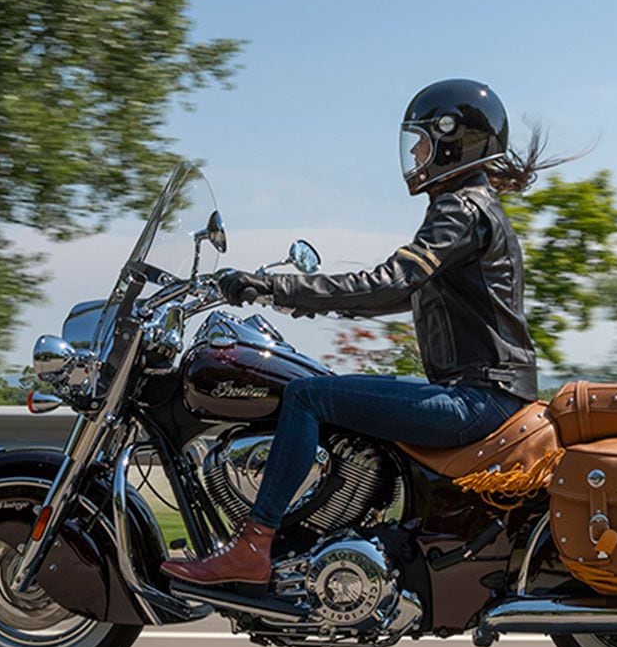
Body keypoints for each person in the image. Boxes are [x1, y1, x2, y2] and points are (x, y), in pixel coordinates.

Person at [162, 78, 546, 588]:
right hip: (481, 393)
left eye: (423, 139)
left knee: (306, 397)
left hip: (477, 399)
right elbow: (396, 294)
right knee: (331, 384)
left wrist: (275, 287)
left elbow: (388, 280)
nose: (414, 152)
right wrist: (300, 302)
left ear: (454, 139)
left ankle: (253, 547)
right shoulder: (469, 207)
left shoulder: (461, 209)